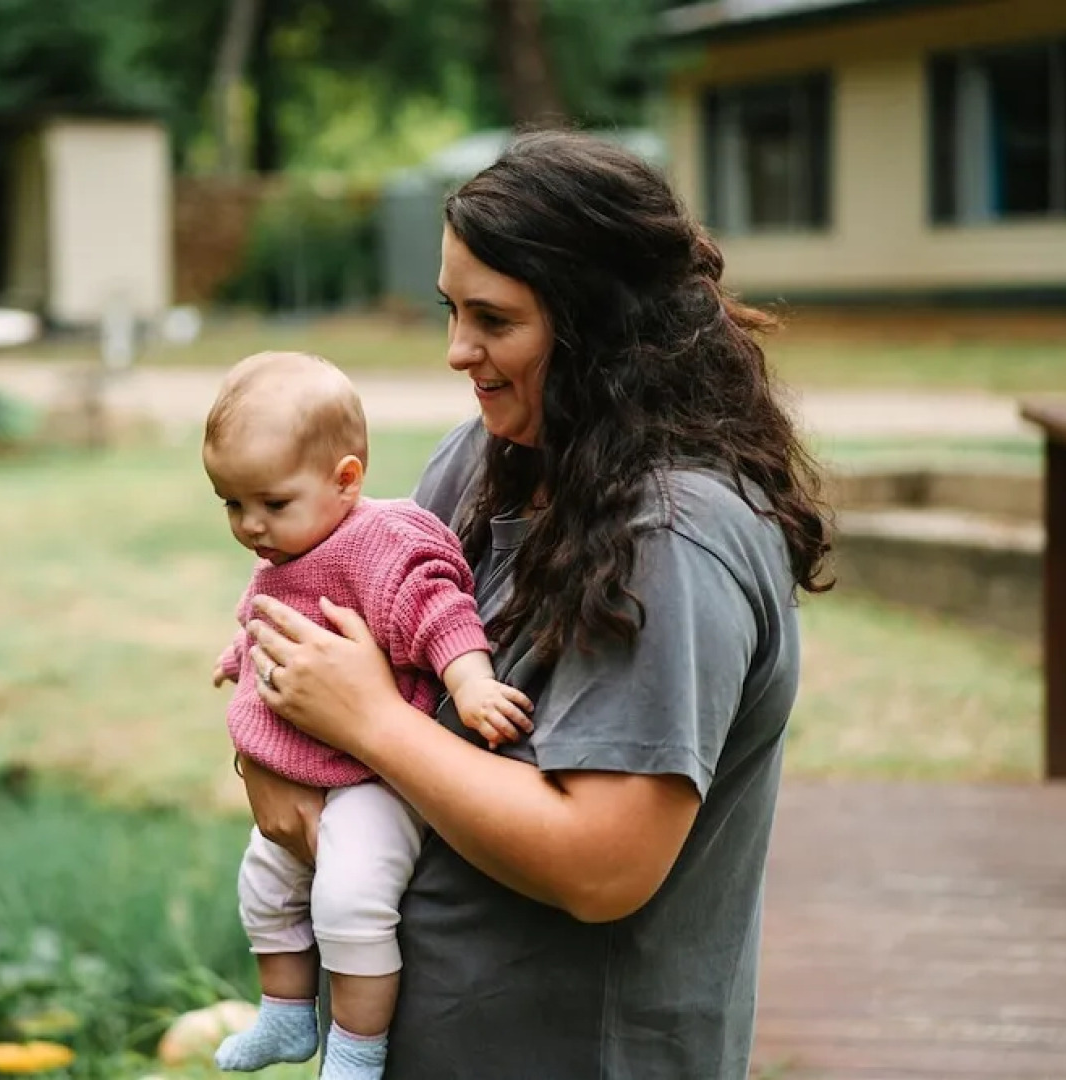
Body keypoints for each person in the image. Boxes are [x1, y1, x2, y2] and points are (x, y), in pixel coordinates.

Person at [232, 130, 833, 1079]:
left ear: (597, 325)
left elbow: (600, 865)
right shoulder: (481, 462)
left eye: (493, 320)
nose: (456, 351)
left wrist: (371, 726)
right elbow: (328, 649)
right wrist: (264, 760)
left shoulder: (672, 538)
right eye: (450, 309)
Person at [202, 350, 535, 1079]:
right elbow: (267, 616)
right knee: (262, 885)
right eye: (231, 505)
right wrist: (239, 657)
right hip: (306, 768)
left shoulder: (381, 543)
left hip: (373, 780)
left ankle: (355, 1052)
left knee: (349, 900)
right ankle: (288, 1017)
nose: (251, 526)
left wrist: (471, 682)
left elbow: (440, 611)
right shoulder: (294, 541)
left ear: (345, 480)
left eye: (270, 503)